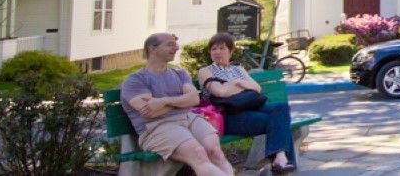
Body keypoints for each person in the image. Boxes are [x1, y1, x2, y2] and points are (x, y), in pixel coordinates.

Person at [120, 33, 232, 176]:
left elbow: (194, 100)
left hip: (188, 118)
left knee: (214, 151)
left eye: (176, 44)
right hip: (157, 127)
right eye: (170, 44)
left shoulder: (180, 74)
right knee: (198, 154)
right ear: (152, 49)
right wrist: (181, 102)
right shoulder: (135, 80)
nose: (177, 48)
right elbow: (151, 112)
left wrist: (163, 101)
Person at [199, 32, 297, 173]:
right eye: (214, 49)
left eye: (222, 48)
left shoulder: (238, 69)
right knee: (276, 122)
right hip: (228, 115)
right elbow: (219, 92)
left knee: (281, 108)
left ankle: (281, 158)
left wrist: (235, 83)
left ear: (231, 51)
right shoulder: (205, 71)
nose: (217, 52)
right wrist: (242, 84)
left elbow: (257, 88)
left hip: (250, 107)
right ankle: (282, 161)